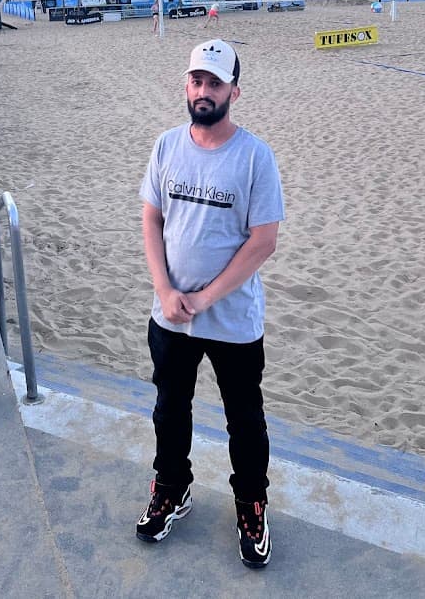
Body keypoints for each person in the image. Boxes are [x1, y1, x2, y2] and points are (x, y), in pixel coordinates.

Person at [137, 39, 284, 569]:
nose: (204, 91)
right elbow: (152, 220)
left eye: (215, 83)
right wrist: (165, 290)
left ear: (234, 92)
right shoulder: (165, 146)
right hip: (170, 315)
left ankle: (251, 504)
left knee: (244, 419)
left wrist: (204, 298)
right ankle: (172, 488)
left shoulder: (254, 156)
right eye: (197, 81)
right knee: (169, 409)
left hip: (232, 320)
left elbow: (263, 240)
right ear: (186, 86)